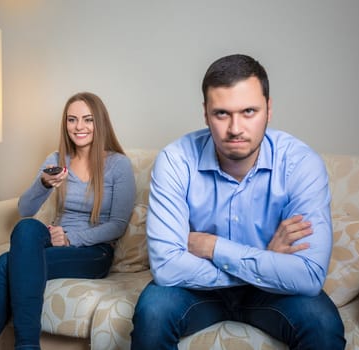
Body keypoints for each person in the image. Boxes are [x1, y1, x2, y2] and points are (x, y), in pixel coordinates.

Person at [131, 54, 345, 349]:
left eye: (248, 111)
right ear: (205, 114)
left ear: (268, 110)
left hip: (272, 294)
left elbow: (308, 276)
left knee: (322, 323)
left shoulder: (301, 164)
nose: (235, 128)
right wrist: (265, 259)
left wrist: (212, 247)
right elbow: (167, 268)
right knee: (153, 312)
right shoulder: (175, 160)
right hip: (198, 289)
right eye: (222, 113)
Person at [0, 92, 136, 350]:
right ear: (65, 124)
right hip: (53, 242)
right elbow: (25, 209)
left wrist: (70, 238)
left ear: (100, 123)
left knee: (4, 265)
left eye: (87, 120)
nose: (79, 127)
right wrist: (44, 184)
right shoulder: (56, 160)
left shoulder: (118, 165)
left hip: (94, 252)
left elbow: (117, 225)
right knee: (26, 227)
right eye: (72, 120)